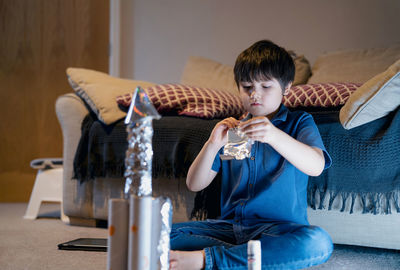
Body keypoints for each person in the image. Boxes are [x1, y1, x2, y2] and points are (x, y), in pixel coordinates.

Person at [169, 40, 333, 270]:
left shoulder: (298, 122)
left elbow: (315, 165)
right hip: (229, 229)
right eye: (247, 87)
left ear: (286, 89)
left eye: (266, 87)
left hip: (278, 230)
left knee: (318, 243)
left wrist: (274, 136)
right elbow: (195, 184)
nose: (255, 94)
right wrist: (213, 144)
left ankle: (208, 259)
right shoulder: (235, 130)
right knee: (156, 233)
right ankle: (243, 257)